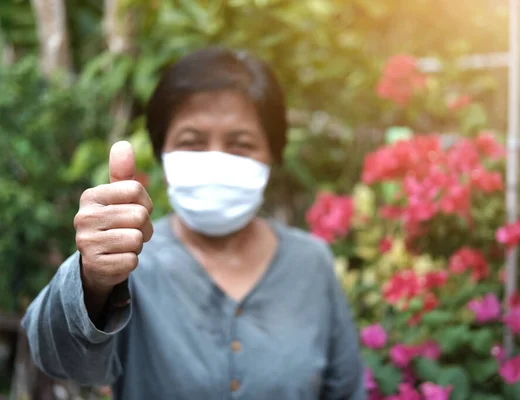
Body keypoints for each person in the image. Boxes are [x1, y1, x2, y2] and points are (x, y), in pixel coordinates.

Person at [21, 47, 366, 399]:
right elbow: (59, 359)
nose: (215, 159)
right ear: (162, 154)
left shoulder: (311, 263)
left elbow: (346, 390)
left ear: (272, 156)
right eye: (192, 142)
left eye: (240, 144)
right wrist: (92, 282)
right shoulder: (127, 263)